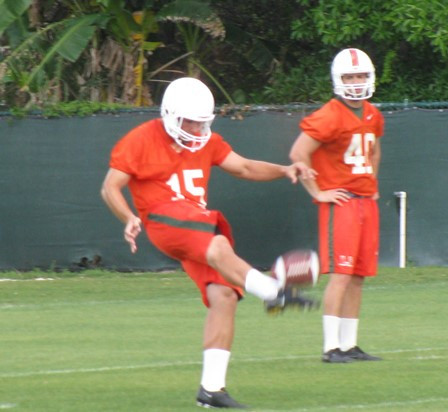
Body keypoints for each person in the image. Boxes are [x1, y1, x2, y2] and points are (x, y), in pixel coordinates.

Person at [101, 77, 317, 408]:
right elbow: (110, 187)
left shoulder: (208, 141)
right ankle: (274, 292)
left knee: (225, 295)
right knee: (217, 244)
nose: (197, 128)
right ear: (170, 115)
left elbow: (244, 167)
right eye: (190, 121)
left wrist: (285, 170)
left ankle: (211, 389)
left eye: (203, 121)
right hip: (164, 219)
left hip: (193, 224)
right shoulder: (141, 139)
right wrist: (128, 217)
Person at [289, 48, 384, 363]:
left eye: (360, 76)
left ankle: (349, 344)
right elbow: (298, 154)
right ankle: (331, 347)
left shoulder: (372, 113)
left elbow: (374, 150)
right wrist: (317, 192)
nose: (356, 83)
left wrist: (372, 185)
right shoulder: (329, 114)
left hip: (364, 201)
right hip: (340, 202)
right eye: (349, 77)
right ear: (337, 80)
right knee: (341, 274)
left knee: (358, 276)